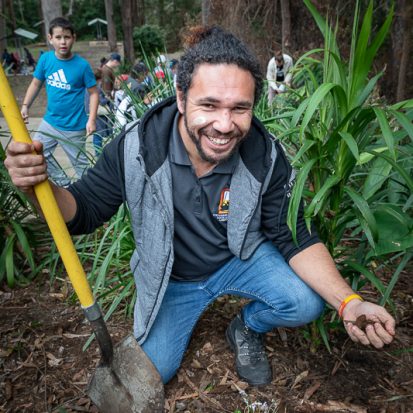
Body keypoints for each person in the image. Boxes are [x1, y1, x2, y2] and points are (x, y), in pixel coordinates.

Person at [5, 26, 396, 387]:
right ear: (180, 98)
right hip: (173, 280)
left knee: (304, 300)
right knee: (153, 372)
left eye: (239, 108)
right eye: (209, 105)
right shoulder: (136, 148)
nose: (225, 125)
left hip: (240, 256)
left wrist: (349, 302)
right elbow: (83, 211)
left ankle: (246, 326)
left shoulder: (266, 155)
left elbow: (293, 236)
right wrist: (39, 186)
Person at [20, 17, 98, 187]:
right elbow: (35, 83)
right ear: (50, 39)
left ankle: (90, 198)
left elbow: (93, 93)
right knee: (37, 154)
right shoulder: (46, 60)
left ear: (74, 38)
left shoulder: (82, 66)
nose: (63, 42)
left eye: (67, 37)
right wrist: (25, 106)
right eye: (58, 37)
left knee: (81, 166)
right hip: (50, 122)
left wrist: (91, 119)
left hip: (74, 127)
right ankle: (65, 186)